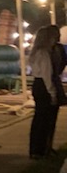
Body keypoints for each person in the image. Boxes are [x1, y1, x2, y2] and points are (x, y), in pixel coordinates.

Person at [27, 24, 65, 158]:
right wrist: (53, 93)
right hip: (44, 86)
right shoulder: (44, 53)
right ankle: (41, 149)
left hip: (38, 84)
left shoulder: (35, 52)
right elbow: (47, 75)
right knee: (45, 119)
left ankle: (36, 149)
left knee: (39, 118)